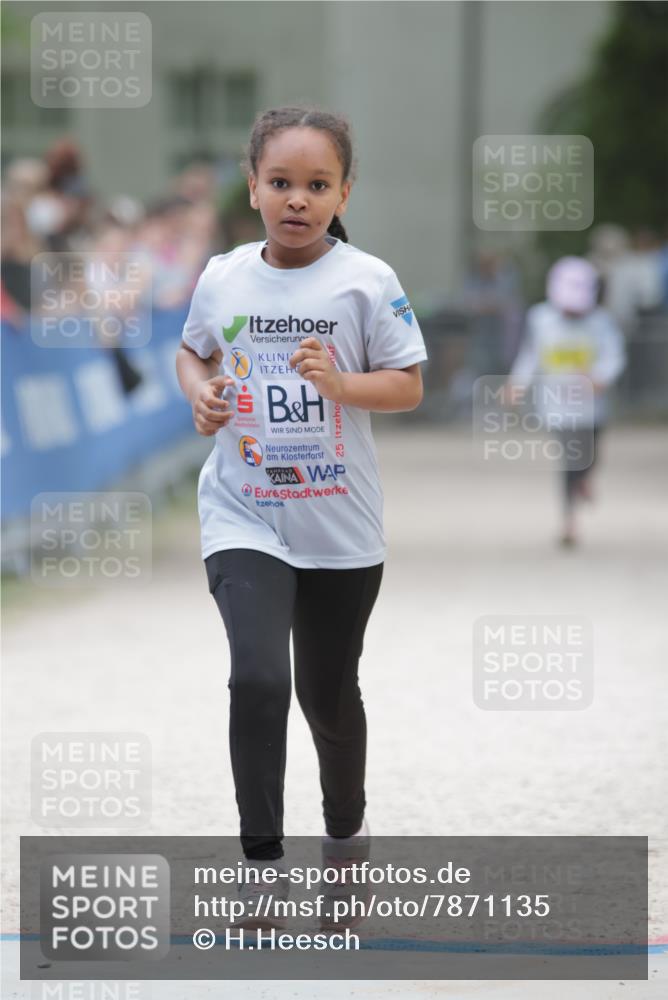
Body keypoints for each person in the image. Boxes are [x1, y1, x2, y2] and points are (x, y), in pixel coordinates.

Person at [175, 105, 427, 931]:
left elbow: (408, 385)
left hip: (339, 524)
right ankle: (262, 869)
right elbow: (193, 351)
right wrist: (201, 395)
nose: (297, 199)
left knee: (328, 695)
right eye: (280, 182)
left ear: (343, 193)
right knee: (258, 678)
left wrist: (341, 384)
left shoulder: (368, 280)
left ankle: (345, 837)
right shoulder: (223, 277)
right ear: (252, 187)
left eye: (318, 185)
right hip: (244, 509)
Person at [507, 256, 626, 548]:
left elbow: (614, 354)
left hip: (592, 405)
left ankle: (585, 478)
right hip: (557, 404)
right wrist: (516, 384)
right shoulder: (540, 319)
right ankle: (569, 521)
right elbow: (530, 355)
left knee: (591, 456)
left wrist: (601, 377)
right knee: (572, 459)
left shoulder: (601, 322)